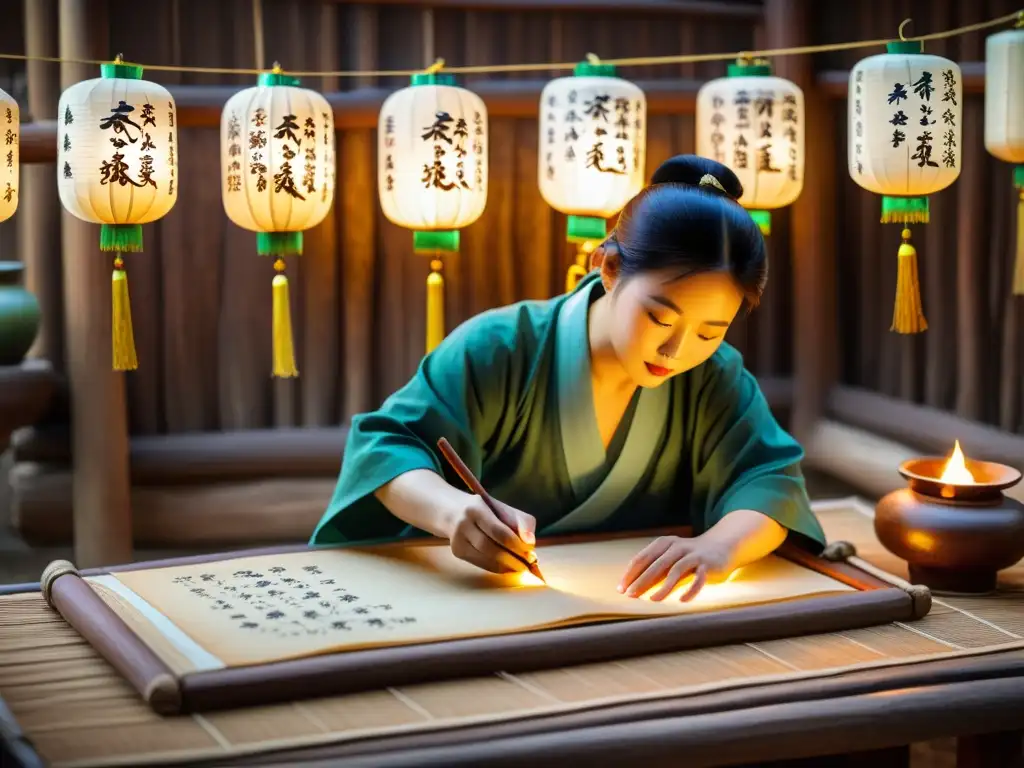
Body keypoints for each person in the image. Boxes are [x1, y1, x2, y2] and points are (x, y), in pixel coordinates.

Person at [311, 154, 826, 603]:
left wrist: (720, 546)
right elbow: (385, 448)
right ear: (607, 268)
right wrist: (453, 512)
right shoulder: (501, 347)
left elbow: (770, 481)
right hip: (477, 604)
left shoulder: (715, 378)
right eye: (661, 318)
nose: (677, 350)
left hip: (633, 619)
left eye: (710, 332)